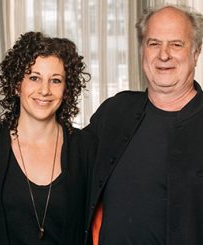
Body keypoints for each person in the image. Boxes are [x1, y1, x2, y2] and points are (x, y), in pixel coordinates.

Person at [0, 31, 96, 244]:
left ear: (66, 89)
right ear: (17, 84)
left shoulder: (86, 150)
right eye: (34, 78)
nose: (44, 90)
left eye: (55, 80)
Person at [84, 4, 203, 245]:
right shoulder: (115, 111)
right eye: (154, 43)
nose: (164, 54)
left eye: (176, 44)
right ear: (142, 50)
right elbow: (62, 151)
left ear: (196, 52)